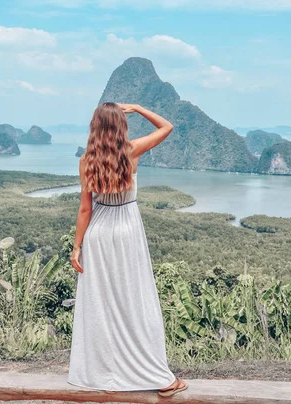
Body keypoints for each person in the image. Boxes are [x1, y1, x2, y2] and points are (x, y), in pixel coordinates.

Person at [67, 102, 187, 396]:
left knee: (102, 305)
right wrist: (138, 107)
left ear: (95, 127)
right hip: (126, 232)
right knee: (136, 303)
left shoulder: (87, 160)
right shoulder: (131, 151)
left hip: (98, 234)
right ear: (121, 125)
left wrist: (77, 246)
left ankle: (108, 374)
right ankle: (159, 376)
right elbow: (167, 127)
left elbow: (85, 210)